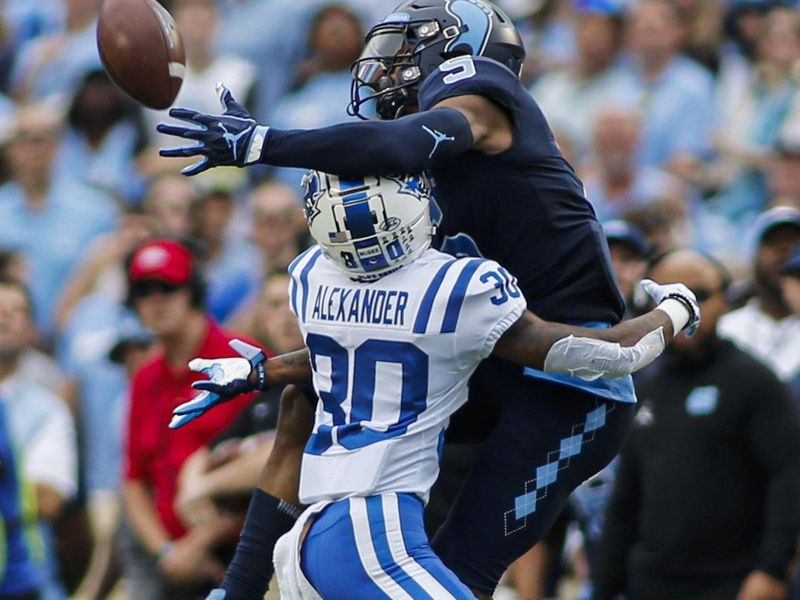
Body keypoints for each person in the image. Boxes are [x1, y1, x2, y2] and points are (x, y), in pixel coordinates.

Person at [156, 1, 696, 596]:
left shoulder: (481, 95)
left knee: (462, 563)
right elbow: (379, 342)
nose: (385, 71)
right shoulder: (407, 200)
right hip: (489, 358)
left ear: (464, 48)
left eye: (406, 50)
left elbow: (404, 144)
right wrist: (267, 370)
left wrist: (266, 142)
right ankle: (239, 588)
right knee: (309, 395)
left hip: (572, 378)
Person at [175, 171, 699, 599]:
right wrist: (676, 308)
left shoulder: (312, 275)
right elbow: (611, 354)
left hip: (310, 536)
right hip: (374, 534)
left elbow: (340, 353)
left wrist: (264, 368)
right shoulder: (454, 288)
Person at [592, 249, 800, 600]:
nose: (688, 310)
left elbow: (790, 475)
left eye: (700, 296)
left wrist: (772, 569)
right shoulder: (640, 388)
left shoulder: (755, 382)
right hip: (651, 583)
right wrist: (605, 588)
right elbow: (625, 500)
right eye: (670, 296)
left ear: (726, 301)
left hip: (733, 583)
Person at [120, 238, 261, 600]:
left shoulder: (240, 361)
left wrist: (201, 542)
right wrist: (167, 553)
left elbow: (274, 463)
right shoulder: (146, 377)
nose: (156, 301)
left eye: (167, 287)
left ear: (192, 290)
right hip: (168, 559)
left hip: (239, 555)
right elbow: (134, 480)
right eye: (143, 292)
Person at [0, 276, 78, 600]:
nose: (3, 317)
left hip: (29, 581)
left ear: (31, 330)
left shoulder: (48, 410)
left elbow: (49, 498)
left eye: (15, 310)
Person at [718, 206, 800, 385]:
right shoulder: (725, 330)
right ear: (754, 254)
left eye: (795, 243)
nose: (784, 252)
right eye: (773, 243)